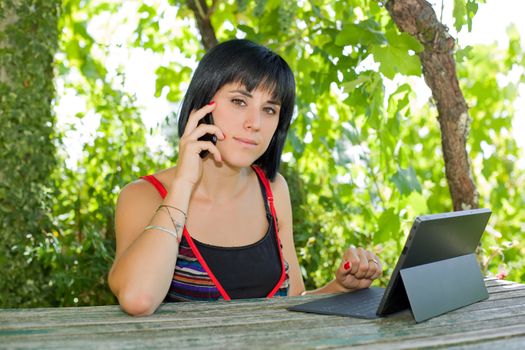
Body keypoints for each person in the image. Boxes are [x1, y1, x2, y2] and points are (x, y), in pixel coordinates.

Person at [108, 39, 382, 316]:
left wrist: (339, 288)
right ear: (204, 104)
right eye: (239, 101)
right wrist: (183, 185)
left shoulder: (274, 190)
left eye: (269, 109)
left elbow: (292, 300)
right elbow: (138, 299)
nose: (255, 123)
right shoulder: (142, 195)